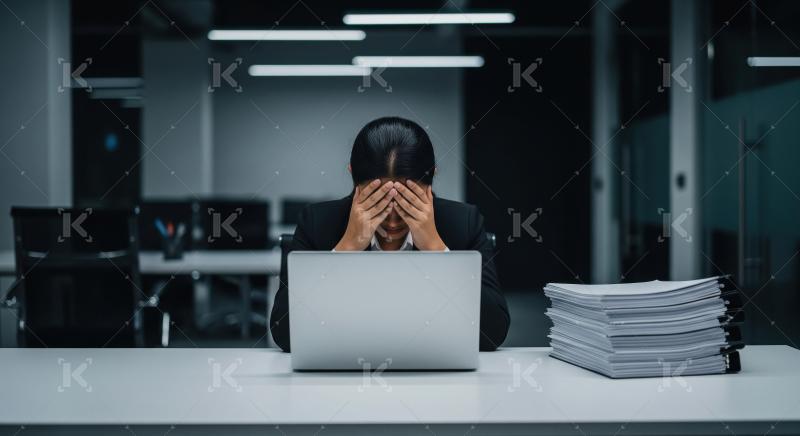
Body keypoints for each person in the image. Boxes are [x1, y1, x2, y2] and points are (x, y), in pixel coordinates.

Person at [270, 116, 510, 351]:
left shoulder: (463, 223)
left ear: (431, 178)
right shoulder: (316, 222)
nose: (393, 222)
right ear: (353, 176)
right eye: (378, 203)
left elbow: (492, 334)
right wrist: (346, 250)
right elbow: (285, 334)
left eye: (407, 203)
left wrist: (437, 250)